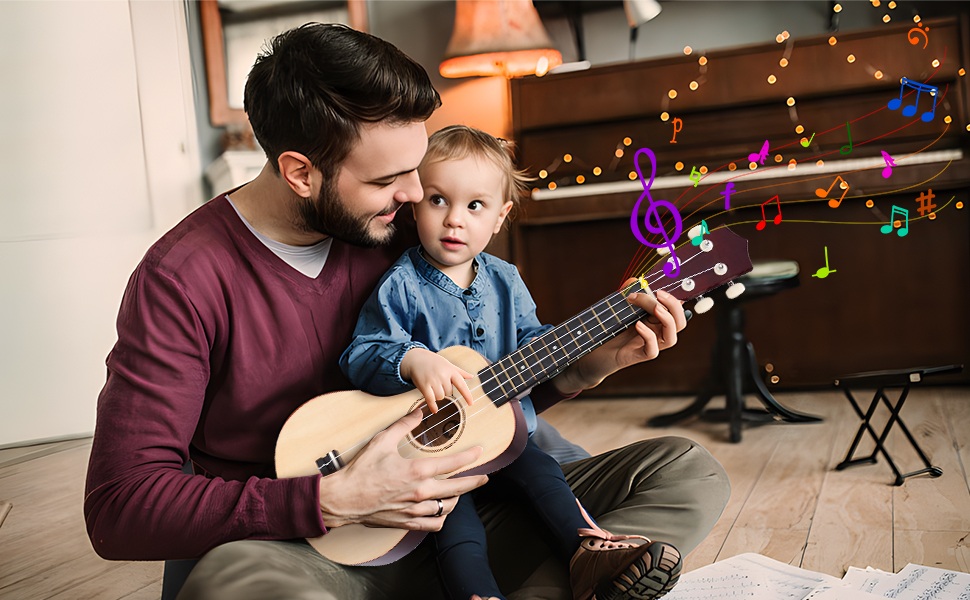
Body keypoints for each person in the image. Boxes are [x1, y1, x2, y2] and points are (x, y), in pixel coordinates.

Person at [82, 23, 730, 600]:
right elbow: (120, 506)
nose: (418, 195)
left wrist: (582, 367)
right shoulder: (180, 280)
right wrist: (332, 498)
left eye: (417, 170)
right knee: (236, 585)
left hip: (459, 509)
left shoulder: (403, 227)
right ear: (301, 173)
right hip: (314, 550)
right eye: (390, 179)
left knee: (684, 470)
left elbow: (471, 397)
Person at [340, 125, 683, 600]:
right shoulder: (400, 284)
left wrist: (587, 339)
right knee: (456, 528)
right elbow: (362, 352)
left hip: (507, 439)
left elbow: (533, 344)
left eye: (474, 206)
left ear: (500, 217)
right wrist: (414, 359)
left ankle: (589, 555)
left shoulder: (506, 279)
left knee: (545, 477)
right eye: (438, 200)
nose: (454, 220)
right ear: (415, 202)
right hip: (431, 459)